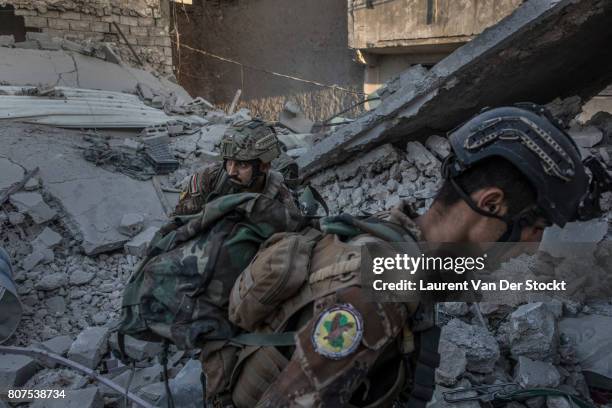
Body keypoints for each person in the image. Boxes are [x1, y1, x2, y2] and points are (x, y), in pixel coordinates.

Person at [225, 104, 590, 407]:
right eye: (535, 229)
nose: (532, 247)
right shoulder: (382, 287)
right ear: (491, 203)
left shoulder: (396, 234)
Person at [173, 119, 297, 216]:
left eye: (242, 165)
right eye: (229, 162)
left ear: (264, 166)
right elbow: (179, 218)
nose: (231, 172)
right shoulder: (209, 177)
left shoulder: (279, 196)